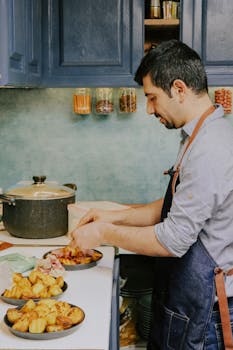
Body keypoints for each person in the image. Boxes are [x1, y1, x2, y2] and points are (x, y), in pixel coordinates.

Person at [70, 40, 233, 349]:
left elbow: (171, 240)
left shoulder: (210, 148)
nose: (149, 109)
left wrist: (104, 233)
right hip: (186, 297)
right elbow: (176, 207)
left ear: (180, 89)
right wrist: (114, 215)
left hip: (206, 314)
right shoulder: (198, 136)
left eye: (152, 98)